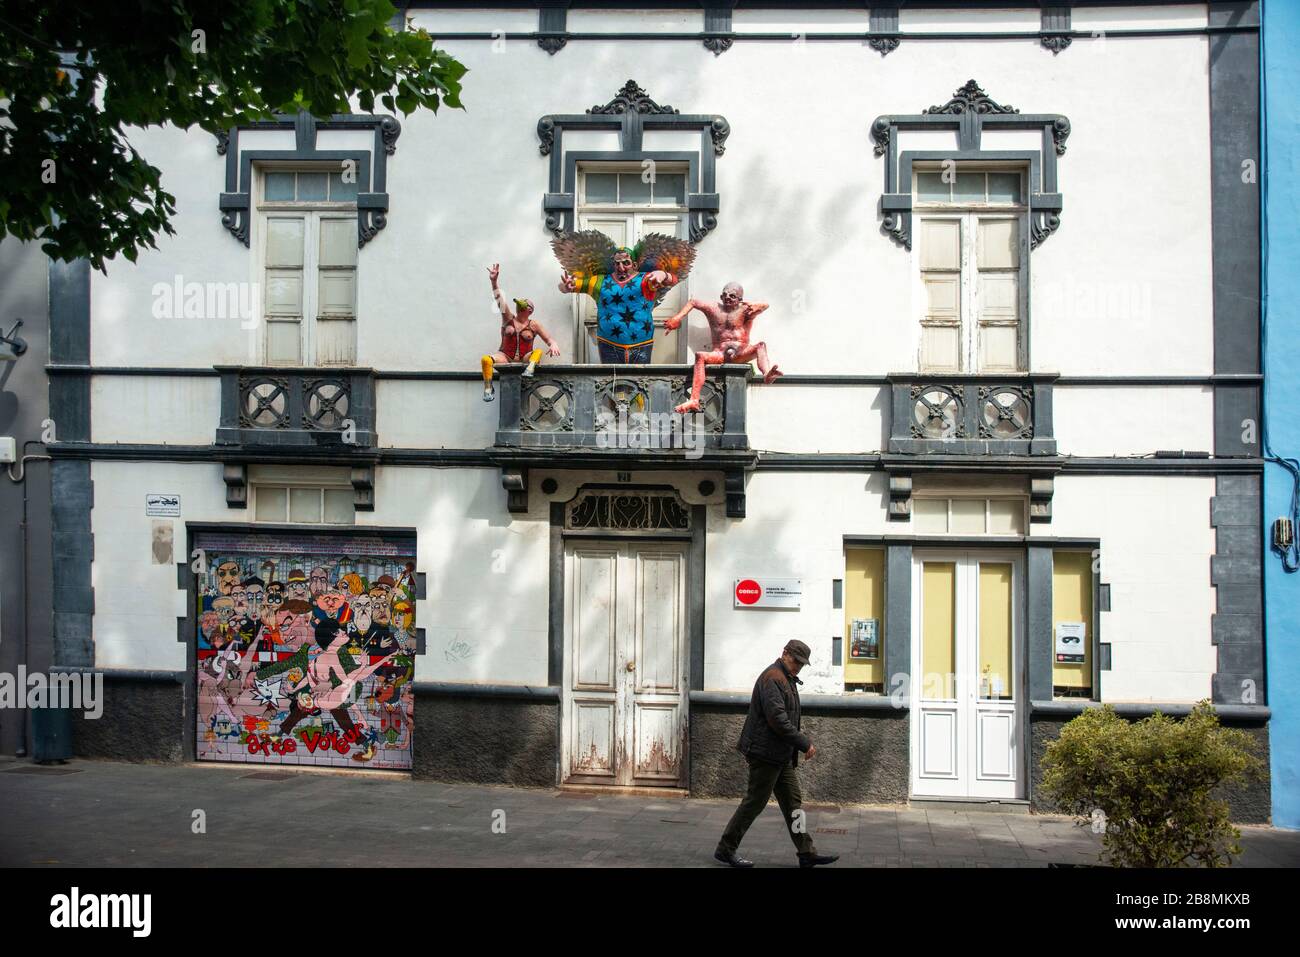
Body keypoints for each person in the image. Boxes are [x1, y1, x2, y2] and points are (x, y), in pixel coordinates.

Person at [714, 640, 839, 868]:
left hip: (780, 756)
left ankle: (806, 851)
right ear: (785, 654)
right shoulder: (773, 678)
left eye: (802, 664)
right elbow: (778, 720)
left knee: (793, 803)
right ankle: (726, 848)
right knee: (754, 802)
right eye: (796, 661)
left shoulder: (786, 678)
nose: (798, 667)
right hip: (765, 753)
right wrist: (804, 743)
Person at [481, 263, 561, 401]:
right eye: (518, 305)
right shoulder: (508, 318)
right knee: (486, 359)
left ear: (529, 310)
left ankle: (529, 369)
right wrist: (494, 282)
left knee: (538, 352)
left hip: (525, 358)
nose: (518, 307)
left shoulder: (534, 324)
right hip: (505, 356)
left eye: (523, 305)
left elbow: (549, 340)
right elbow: (499, 299)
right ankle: (488, 388)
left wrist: (553, 344)